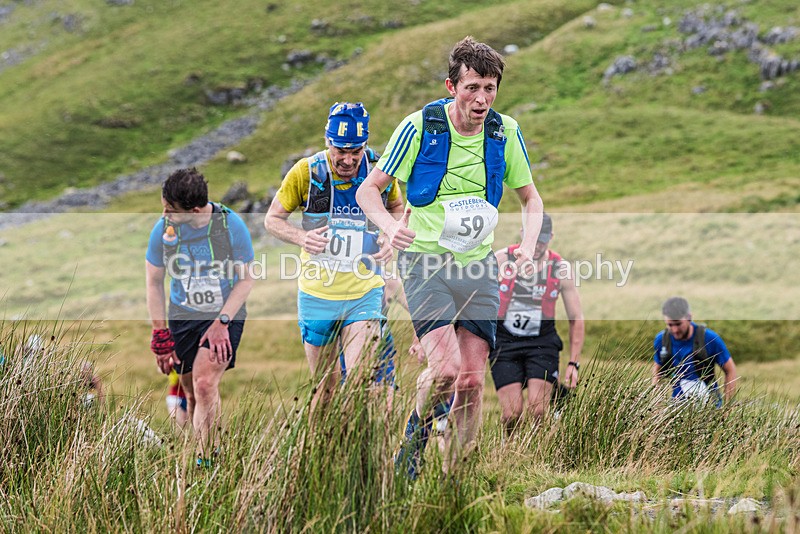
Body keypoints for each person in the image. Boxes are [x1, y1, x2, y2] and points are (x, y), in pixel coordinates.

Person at [356, 36, 544, 478]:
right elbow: (368, 191)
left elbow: (531, 199)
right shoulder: (419, 127)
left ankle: (454, 478)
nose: (481, 99)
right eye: (472, 88)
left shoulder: (504, 131)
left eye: (490, 89)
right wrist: (390, 227)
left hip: (477, 267)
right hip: (425, 263)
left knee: (472, 381)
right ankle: (411, 450)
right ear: (451, 86)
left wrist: (528, 247)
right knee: (445, 370)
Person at [264, 102, 404, 413]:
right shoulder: (306, 172)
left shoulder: (379, 170)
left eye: (356, 150)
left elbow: (396, 208)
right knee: (324, 394)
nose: (349, 159)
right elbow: (272, 220)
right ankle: (323, 445)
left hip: (364, 293)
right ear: (328, 141)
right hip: (317, 295)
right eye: (341, 150)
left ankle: (359, 445)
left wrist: (389, 233)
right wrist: (302, 238)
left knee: (360, 383)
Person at [145, 167, 255, 466]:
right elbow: (154, 282)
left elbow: (246, 280)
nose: (164, 215)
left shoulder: (230, 226)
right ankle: (211, 452)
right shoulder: (163, 230)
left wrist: (221, 323)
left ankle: (206, 463)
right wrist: (160, 334)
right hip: (182, 316)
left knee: (205, 384)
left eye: (170, 210)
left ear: (194, 210)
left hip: (225, 312)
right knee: (192, 395)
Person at [490, 213, 584, 434]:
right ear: (523, 233)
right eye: (534, 238)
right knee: (511, 414)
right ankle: (508, 450)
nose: (538, 245)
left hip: (541, 343)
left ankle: (538, 452)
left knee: (538, 410)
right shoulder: (502, 259)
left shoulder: (560, 268)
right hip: (505, 343)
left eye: (543, 240)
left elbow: (576, 317)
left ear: (551, 237)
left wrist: (574, 363)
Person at [652, 296, 737, 407]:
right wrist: (656, 406)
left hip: (710, 407)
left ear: (689, 317)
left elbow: (730, 370)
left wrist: (727, 408)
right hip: (677, 408)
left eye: (678, 324)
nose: (675, 330)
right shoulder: (662, 340)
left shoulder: (710, 339)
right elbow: (657, 373)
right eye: (670, 325)